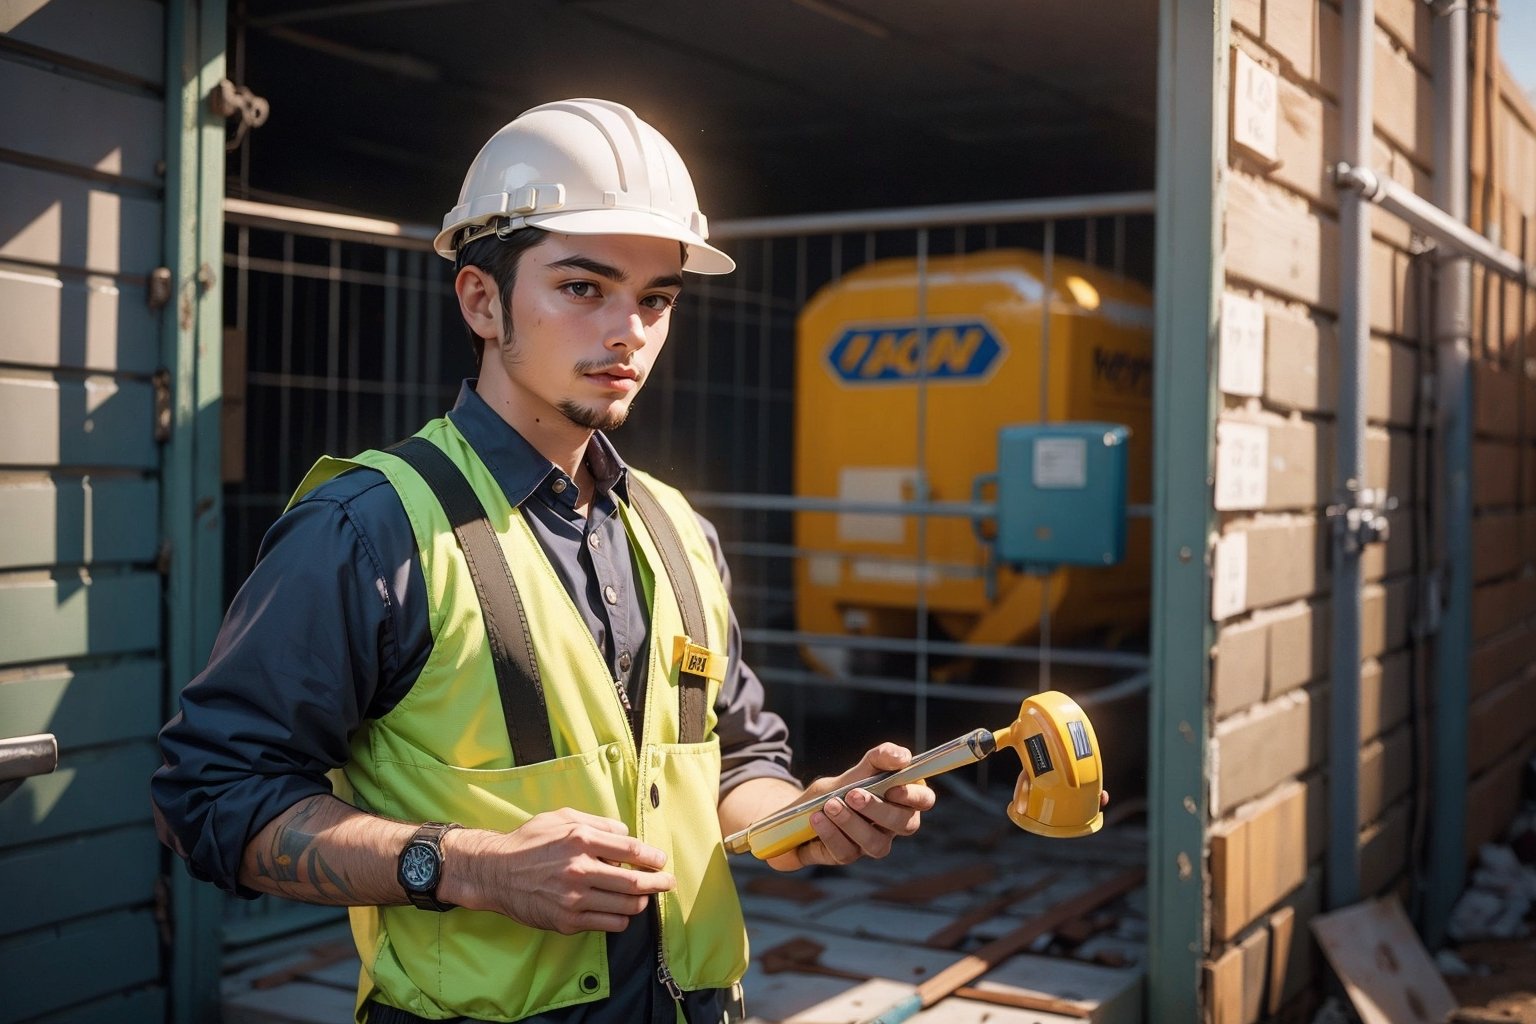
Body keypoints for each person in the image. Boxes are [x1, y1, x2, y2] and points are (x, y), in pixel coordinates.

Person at [152, 97, 937, 1024]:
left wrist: (806, 816)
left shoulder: (679, 529)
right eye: (582, 288)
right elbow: (209, 798)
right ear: (482, 300)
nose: (628, 331)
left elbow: (733, 764)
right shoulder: (368, 531)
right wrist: (469, 866)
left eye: (654, 300)